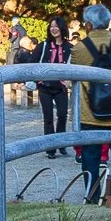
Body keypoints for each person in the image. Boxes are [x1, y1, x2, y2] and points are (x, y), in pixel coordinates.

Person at [71, 5, 111, 203]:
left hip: (90, 114)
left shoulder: (79, 49)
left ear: (88, 24)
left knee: (90, 160)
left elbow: (74, 76)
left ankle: (92, 197)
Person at [31, 15, 73, 156]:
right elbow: (32, 63)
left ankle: (61, 144)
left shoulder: (70, 47)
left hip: (61, 87)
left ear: (62, 28)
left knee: (62, 115)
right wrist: (37, 81)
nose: (54, 29)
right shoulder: (43, 46)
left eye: (56, 26)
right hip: (45, 87)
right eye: (52, 26)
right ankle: (50, 148)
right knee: (48, 117)